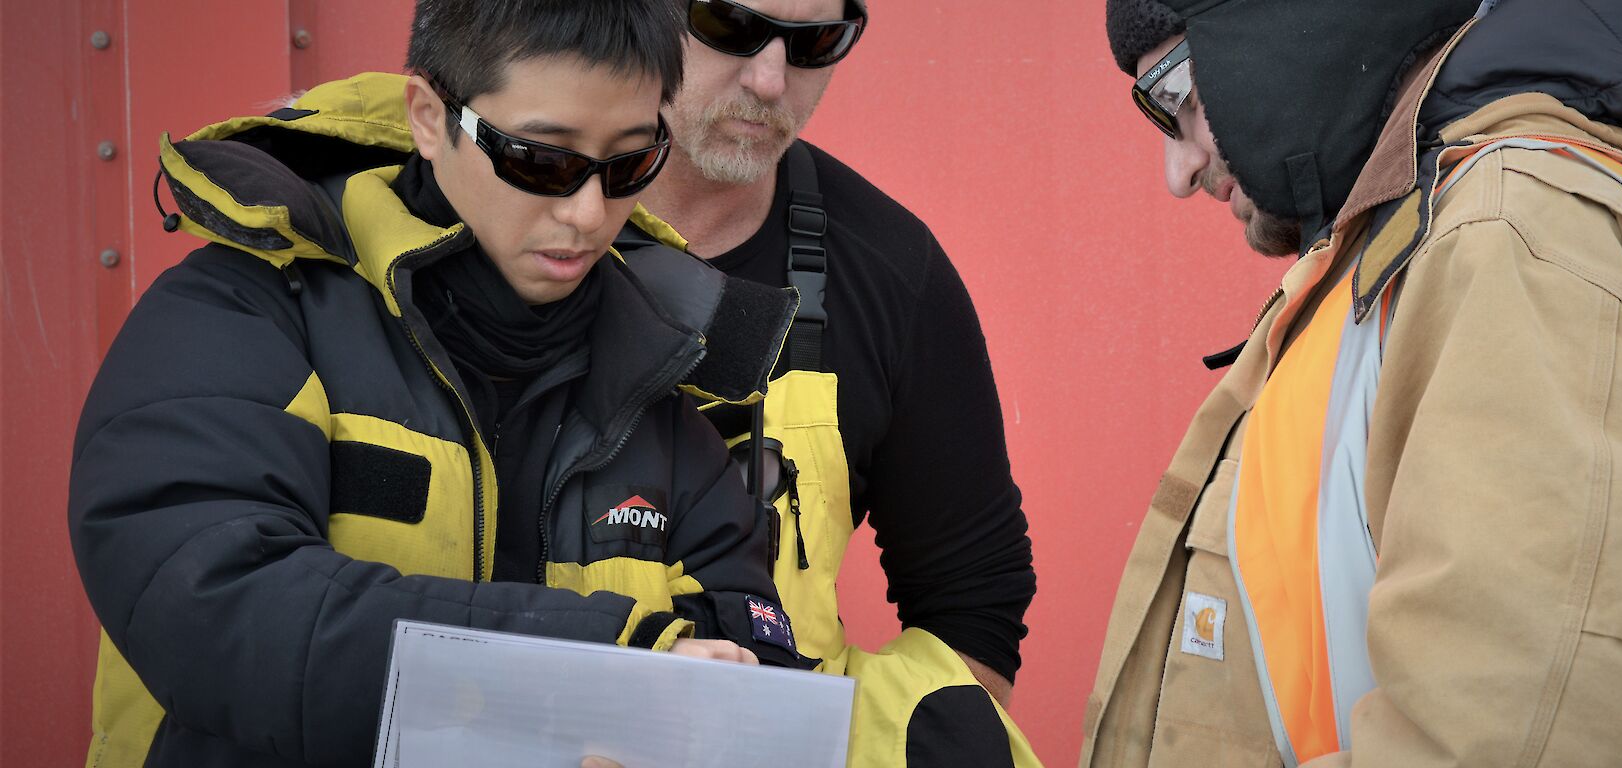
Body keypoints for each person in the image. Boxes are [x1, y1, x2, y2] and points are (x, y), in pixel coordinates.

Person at [68, 2, 816, 766]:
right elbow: (211, 607)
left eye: (630, 162)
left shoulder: (664, 368)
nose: (589, 211)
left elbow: (752, 659)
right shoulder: (244, 312)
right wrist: (599, 674)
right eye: (542, 159)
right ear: (429, 116)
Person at [1084, 0, 1622, 766]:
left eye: (1177, 95)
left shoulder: (1525, 237)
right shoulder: (1428, 238)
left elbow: (1505, 744)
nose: (1180, 169)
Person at [632, 1, 1040, 764]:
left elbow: (973, 603)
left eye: (816, 41)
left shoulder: (892, 270)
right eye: (729, 24)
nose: (769, 78)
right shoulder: (483, 231)